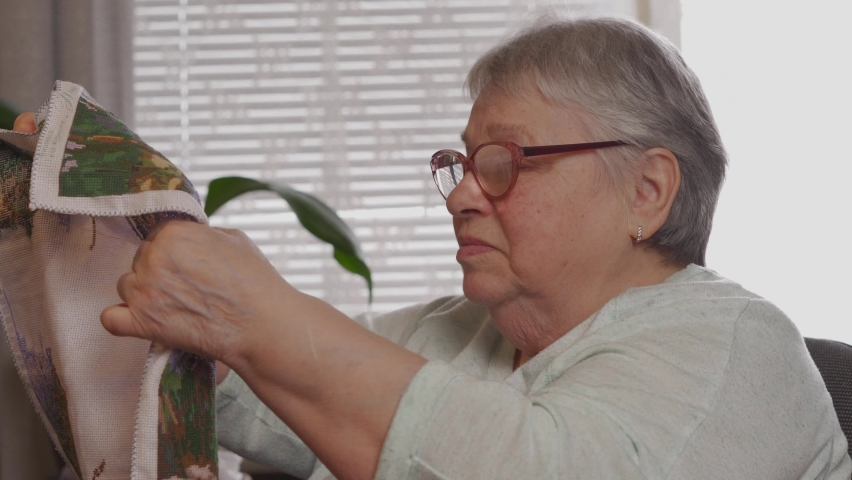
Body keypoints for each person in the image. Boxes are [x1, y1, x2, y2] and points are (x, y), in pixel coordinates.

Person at [14, 16, 852, 480]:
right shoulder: (457, 331)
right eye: (460, 162)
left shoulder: (738, 345)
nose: (459, 193)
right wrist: (109, 229)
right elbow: (264, 397)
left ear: (648, 192)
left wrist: (258, 314)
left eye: (506, 163)